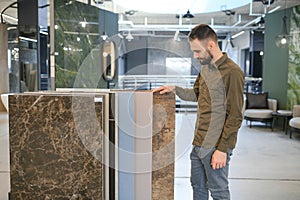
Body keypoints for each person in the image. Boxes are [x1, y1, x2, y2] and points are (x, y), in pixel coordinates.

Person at [153, 24, 244, 200]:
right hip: (199, 142)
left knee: (218, 191)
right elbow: (196, 94)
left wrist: (222, 149)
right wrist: (175, 89)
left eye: (197, 51)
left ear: (211, 45)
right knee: (198, 188)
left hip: (216, 145)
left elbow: (235, 116)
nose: (195, 56)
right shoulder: (206, 69)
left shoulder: (232, 72)